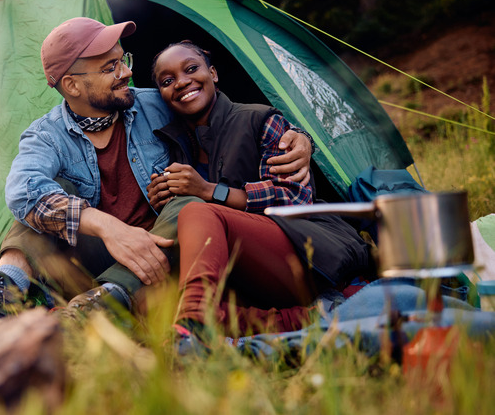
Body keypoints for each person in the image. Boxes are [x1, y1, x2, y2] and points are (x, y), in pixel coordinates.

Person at [0, 18, 314, 330]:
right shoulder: (45, 135)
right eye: (110, 67)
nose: (127, 72)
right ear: (73, 86)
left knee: (188, 203)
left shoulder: (154, 103)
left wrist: (299, 136)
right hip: (100, 258)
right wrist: (108, 228)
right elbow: (21, 191)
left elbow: (223, 109)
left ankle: (106, 304)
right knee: (38, 205)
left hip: (167, 251)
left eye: (123, 60)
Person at [148, 41, 373, 350]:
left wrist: (207, 191)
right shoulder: (174, 145)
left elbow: (294, 197)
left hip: (304, 253)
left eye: (191, 69)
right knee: (167, 295)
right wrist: (165, 198)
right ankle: (312, 317)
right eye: (167, 80)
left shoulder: (260, 120)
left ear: (213, 73)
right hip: (243, 274)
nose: (182, 82)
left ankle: (193, 327)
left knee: (197, 213)